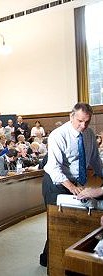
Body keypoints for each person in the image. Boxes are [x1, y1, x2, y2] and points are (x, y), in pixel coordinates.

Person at [40, 103, 103, 267]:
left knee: (73, 221)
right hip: (56, 183)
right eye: (80, 121)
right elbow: (53, 167)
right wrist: (72, 187)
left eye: (87, 122)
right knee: (56, 223)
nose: (83, 126)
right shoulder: (58, 135)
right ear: (71, 117)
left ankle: (65, 258)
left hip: (76, 182)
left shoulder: (89, 134)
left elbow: (96, 161)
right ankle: (48, 260)